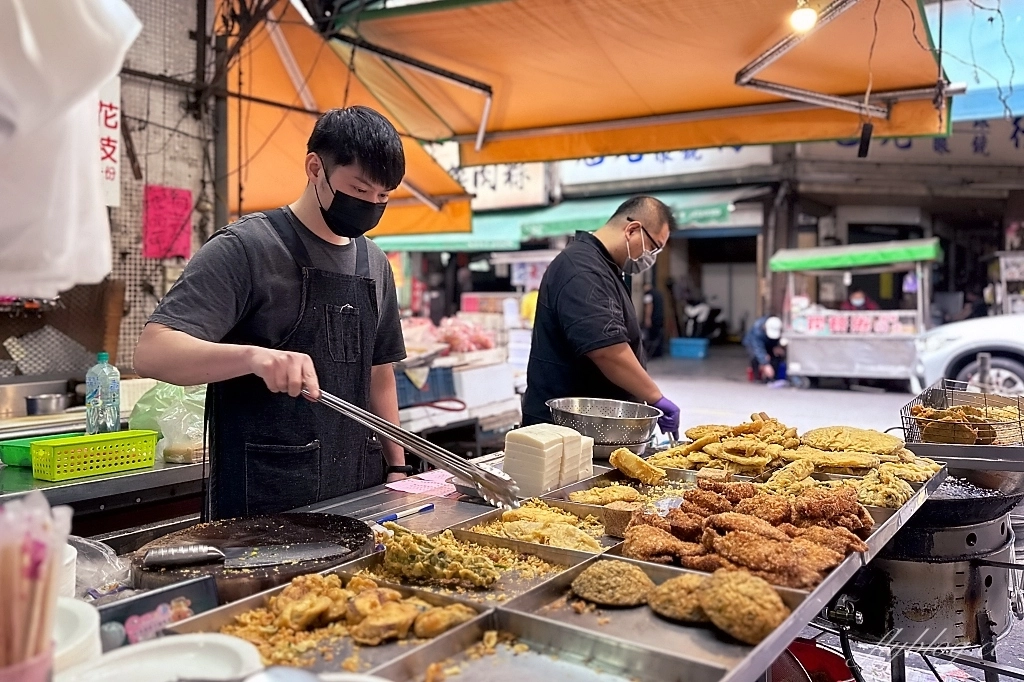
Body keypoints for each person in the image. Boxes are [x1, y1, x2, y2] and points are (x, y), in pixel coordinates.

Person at [133, 106, 411, 520]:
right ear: (315, 168)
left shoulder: (374, 264)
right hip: (263, 502)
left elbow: (378, 373)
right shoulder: (245, 248)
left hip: (358, 491)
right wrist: (253, 357)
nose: (371, 204)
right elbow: (152, 352)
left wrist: (398, 467)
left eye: (383, 197)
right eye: (359, 189)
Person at [522, 196, 681, 438]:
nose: (650, 257)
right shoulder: (581, 268)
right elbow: (608, 351)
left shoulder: (605, 268)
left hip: (588, 428)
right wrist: (655, 397)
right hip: (561, 433)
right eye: (653, 247)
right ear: (632, 230)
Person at [743, 316, 784, 382]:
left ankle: (772, 377)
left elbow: (777, 340)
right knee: (755, 357)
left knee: (776, 355)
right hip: (752, 343)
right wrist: (765, 363)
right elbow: (758, 349)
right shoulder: (757, 331)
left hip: (768, 342)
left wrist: (777, 346)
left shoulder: (777, 326)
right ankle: (757, 377)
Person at [642, 282, 666, 358]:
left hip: (653, 319)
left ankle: (652, 353)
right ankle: (659, 353)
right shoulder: (658, 293)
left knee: (652, 337)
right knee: (659, 336)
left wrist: (647, 318)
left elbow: (649, 306)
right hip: (660, 318)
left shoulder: (648, 294)